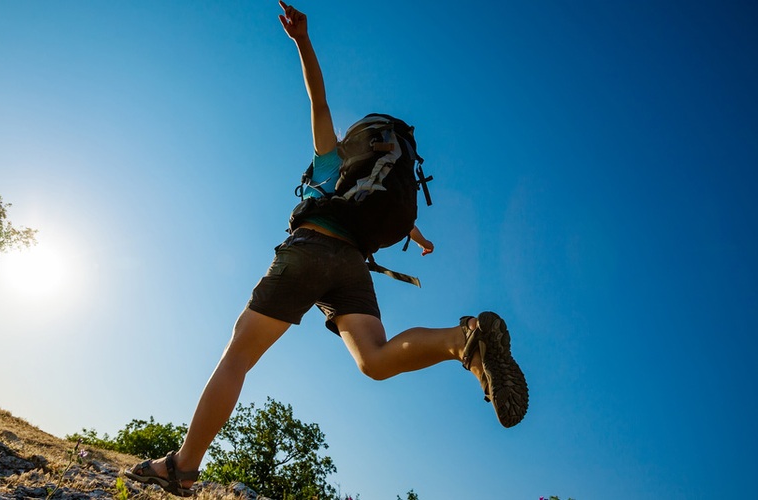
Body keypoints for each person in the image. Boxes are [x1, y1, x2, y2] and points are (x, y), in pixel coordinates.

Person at [124, 2, 528, 496]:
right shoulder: (374, 195)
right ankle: (462, 339)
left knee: (237, 358)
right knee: (374, 360)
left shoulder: (329, 161)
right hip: (352, 265)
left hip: (310, 249)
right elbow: (395, 219)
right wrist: (418, 238)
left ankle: (183, 467)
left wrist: (303, 42)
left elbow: (319, 101)